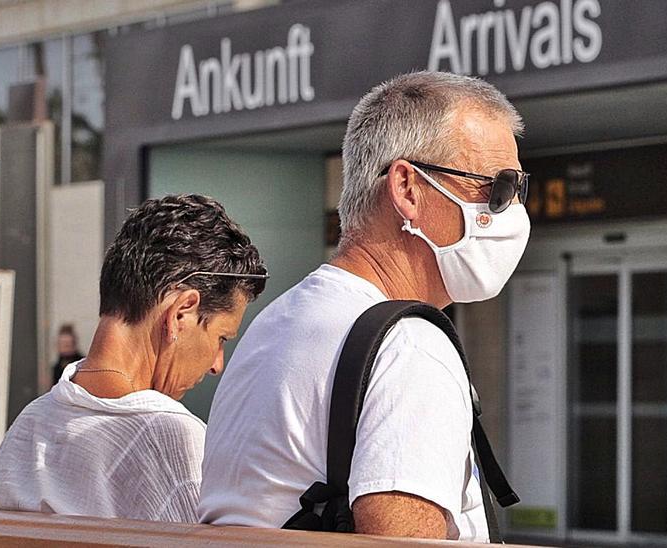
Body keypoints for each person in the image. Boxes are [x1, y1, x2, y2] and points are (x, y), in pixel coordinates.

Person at [199, 71, 529, 542]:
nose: (511, 212)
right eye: (496, 188)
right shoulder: (409, 346)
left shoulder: (276, 323)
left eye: (519, 189)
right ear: (407, 189)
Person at [0, 194, 267, 523]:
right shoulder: (172, 440)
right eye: (221, 338)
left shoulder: (28, 427)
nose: (217, 364)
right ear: (181, 313)